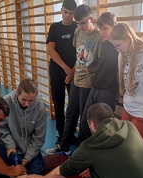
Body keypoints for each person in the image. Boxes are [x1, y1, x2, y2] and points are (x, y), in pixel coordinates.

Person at [46, 4, 103, 154]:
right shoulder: (78, 31)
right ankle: (63, 146)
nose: (80, 26)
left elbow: (101, 64)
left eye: (83, 22)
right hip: (76, 80)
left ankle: (80, 150)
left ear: (91, 19)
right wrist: (71, 74)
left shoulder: (99, 38)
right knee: (70, 114)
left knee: (84, 118)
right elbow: (79, 56)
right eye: (77, 22)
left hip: (88, 84)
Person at [77, 12, 119, 143]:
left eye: (105, 29)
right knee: (85, 122)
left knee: (102, 128)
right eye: (100, 29)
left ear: (114, 27)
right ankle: (82, 152)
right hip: (96, 87)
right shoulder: (105, 44)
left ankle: (97, 157)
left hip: (109, 90)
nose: (102, 32)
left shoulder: (119, 47)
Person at [0, 78, 46, 175]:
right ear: (17, 92)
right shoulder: (5, 102)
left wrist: (27, 158)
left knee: (36, 173)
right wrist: (10, 147)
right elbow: (3, 129)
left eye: (31, 100)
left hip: (29, 147)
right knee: (1, 173)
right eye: (24, 99)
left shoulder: (40, 107)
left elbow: (38, 137)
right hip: (10, 146)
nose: (27, 104)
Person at [46, 0, 77, 147]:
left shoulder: (78, 28)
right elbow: (51, 50)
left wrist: (72, 72)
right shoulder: (55, 27)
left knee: (73, 105)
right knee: (58, 103)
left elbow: (81, 51)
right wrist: (65, 68)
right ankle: (61, 134)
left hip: (75, 72)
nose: (68, 16)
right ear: (61, 10)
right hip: (58, 70)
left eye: (71, 13)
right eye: (65, 12)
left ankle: (70, 134)